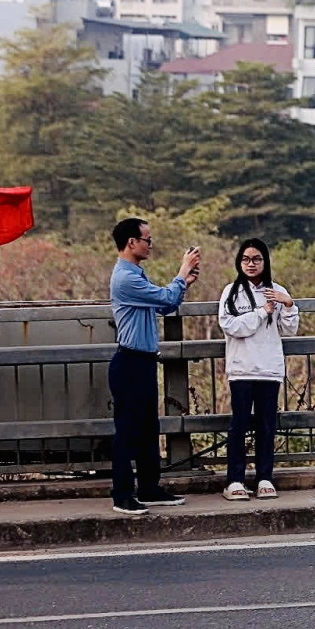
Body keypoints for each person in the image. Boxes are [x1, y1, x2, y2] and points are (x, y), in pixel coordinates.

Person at [108, 217, 199, 516]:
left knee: (149, 429)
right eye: (147, 239)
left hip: (143, 361)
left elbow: (166, 304)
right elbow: (166, 297)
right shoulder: (126, 278)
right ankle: (122, 494)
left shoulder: (137, 274)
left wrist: (181, 285)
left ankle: (149, 487)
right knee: (128, 430)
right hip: (130, 361)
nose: (150, 244)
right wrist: (182, 272)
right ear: (131, 242)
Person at [217, 238, 298, 501]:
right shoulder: (231, 291)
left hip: (269, 369)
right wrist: (262, 312)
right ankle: (235, 480)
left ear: (265, 262)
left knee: (266, 426)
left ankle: (265, 477)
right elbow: (232, 326)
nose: (251, 264)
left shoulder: (276, 290)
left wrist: (288, 305)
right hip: (242, 369)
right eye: (246, 259)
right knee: (238, 425)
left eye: (257, 259)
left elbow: (289, 329)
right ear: (239, 262)